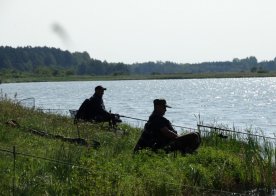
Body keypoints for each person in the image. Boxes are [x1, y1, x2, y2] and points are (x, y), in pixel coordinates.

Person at [134, 99, 201, 154]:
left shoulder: (153, 118)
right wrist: (181, 138)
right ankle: (187, 152)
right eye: (164, 107)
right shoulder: (157, 119)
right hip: (159, 147)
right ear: (157, 107)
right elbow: (168, 133)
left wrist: (181, 137)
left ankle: (187, 151)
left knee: (196, 134)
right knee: (194, 135)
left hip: (160, 144)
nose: (165, 109)